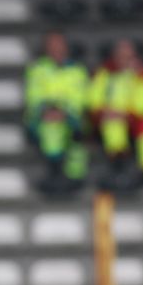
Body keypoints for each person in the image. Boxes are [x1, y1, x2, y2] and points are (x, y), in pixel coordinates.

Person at [86, 39, 143, 184]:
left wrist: (128, 113)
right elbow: (93, 97)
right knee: (112, 123)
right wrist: (104, 110)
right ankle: (118, 162)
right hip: (110, 115)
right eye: (121, 56)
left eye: (128, 56)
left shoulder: (141, 75)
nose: (124, 59)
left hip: (133, 116)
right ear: (115, 56)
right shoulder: (105, 74)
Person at [24, 30, 89, 191]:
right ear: (46, 48)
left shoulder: (77, 70)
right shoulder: (37, 69)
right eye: (52, 45)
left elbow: (80, 97)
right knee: (51, 128)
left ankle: (75, 176)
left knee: (78, 132)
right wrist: (46, 109)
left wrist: (65, 111)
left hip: (70, 116)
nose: (56, 48)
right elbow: (33, 95)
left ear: (66, 46)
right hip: (43, 116)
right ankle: (55, 172)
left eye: (59, 44)